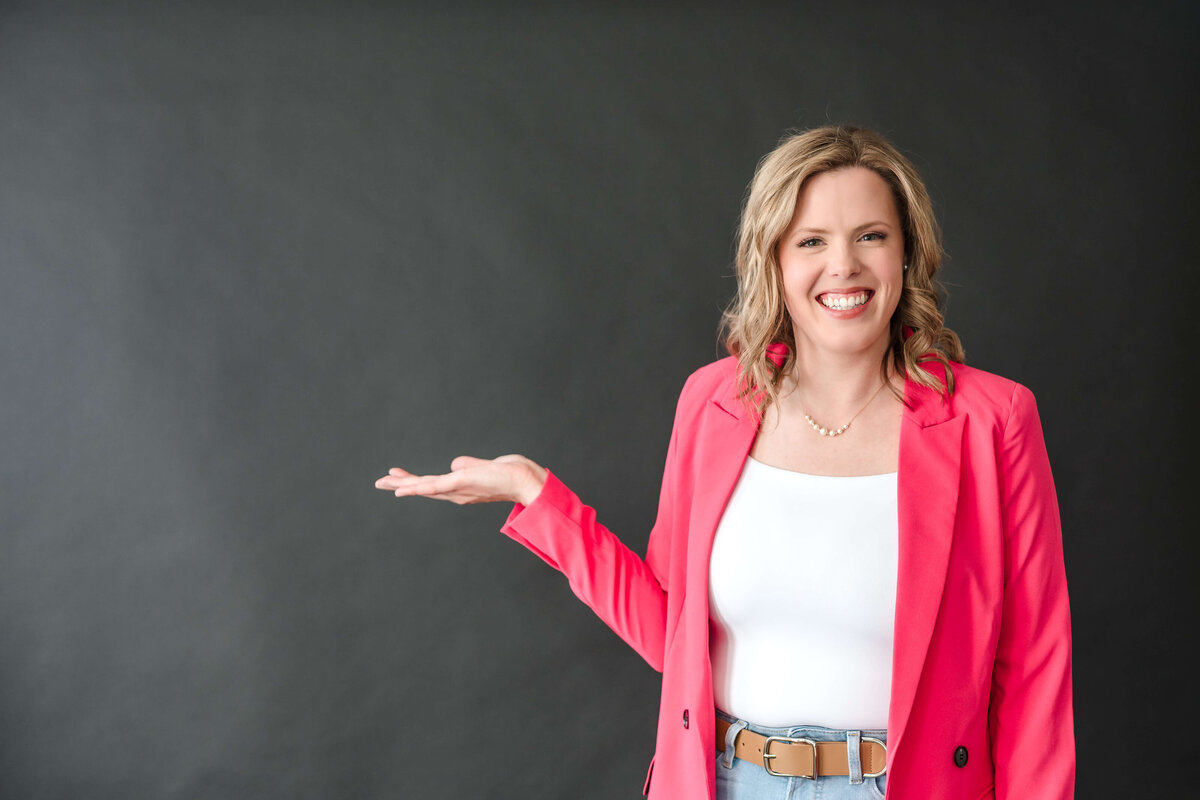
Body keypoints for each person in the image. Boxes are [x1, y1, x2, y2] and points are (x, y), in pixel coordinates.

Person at [375, 125, 1074, 800]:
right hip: (729, 781)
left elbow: (1035, 668)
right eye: (811, 240)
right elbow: (670, 634)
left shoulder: (992, 421)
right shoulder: (714, 403)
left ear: (906, 254)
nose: (844, 266)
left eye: (871, 236)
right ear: (774, 259)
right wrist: (535, 494)